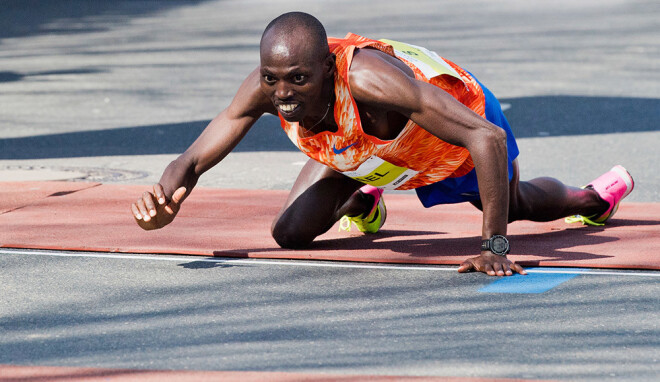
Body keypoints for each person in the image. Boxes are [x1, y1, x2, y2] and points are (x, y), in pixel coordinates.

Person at [130, 12, 634, 277]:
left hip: (450, 134)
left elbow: (488, 137)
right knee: (289, 234)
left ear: (328, 69)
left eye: (298, 79)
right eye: (273, 79)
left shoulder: (371, 81)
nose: (282, 95)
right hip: (361, 152)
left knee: (513, 203)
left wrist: (494, 246)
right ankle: (366, 199)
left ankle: (593, 197)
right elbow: (194, 156)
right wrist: (165, 197)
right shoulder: (269, 86)